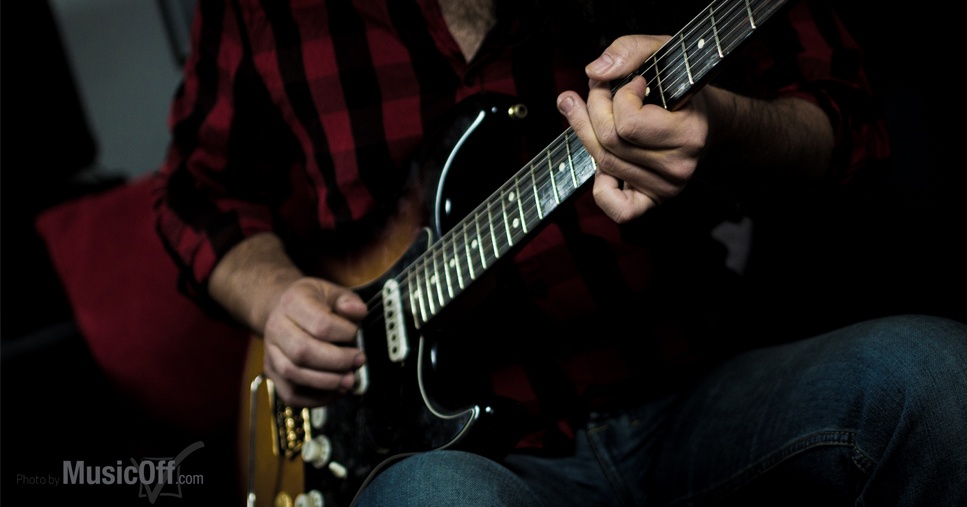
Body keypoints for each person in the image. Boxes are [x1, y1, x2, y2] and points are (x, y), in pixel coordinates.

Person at [153, 0, 967, 505]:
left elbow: (843, 121)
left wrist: (721, 125)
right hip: (466, 456)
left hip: (692, 391)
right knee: (427, 499)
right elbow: (197, 190)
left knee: (937, 376)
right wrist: (276, 298)